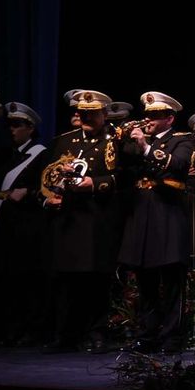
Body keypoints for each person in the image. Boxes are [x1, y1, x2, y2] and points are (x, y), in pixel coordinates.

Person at [41, 90, 125, 353]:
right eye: (83, 113)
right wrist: (46, 199)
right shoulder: (64, 141)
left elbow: (126, 178)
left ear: (104, 114)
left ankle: (97, 333)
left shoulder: (114, 141)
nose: (86, 117)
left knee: (95, 281)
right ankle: (65, 334)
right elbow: (44, 180)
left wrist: (94, 184)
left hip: (96, 220)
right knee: (66, 282)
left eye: (92, 113)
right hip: (67, 219)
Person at [117, 91, 195, 354]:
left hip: (168, 214)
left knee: (172, 279)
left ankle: (173, 336)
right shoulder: (136, 141)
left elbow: (180, 166)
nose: (147, 120)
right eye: (147, 115)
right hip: (141, 215)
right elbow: (121, 166)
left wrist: (147, 148)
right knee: (145, 279)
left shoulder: (182, 139)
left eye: (155, 115)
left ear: (169, 118)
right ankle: (148, 334)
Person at [0, 101, 50, 345]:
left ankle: (29, 331)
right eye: (10, 125)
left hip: (27, 226)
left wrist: (27, 192)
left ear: (30, 127)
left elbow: (45, 186)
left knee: (26, 281)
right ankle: (8, 329)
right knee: (6, 280)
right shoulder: (4, 154)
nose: (11, 130)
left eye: (17, 125)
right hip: (4, 222)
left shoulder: (41, 153)